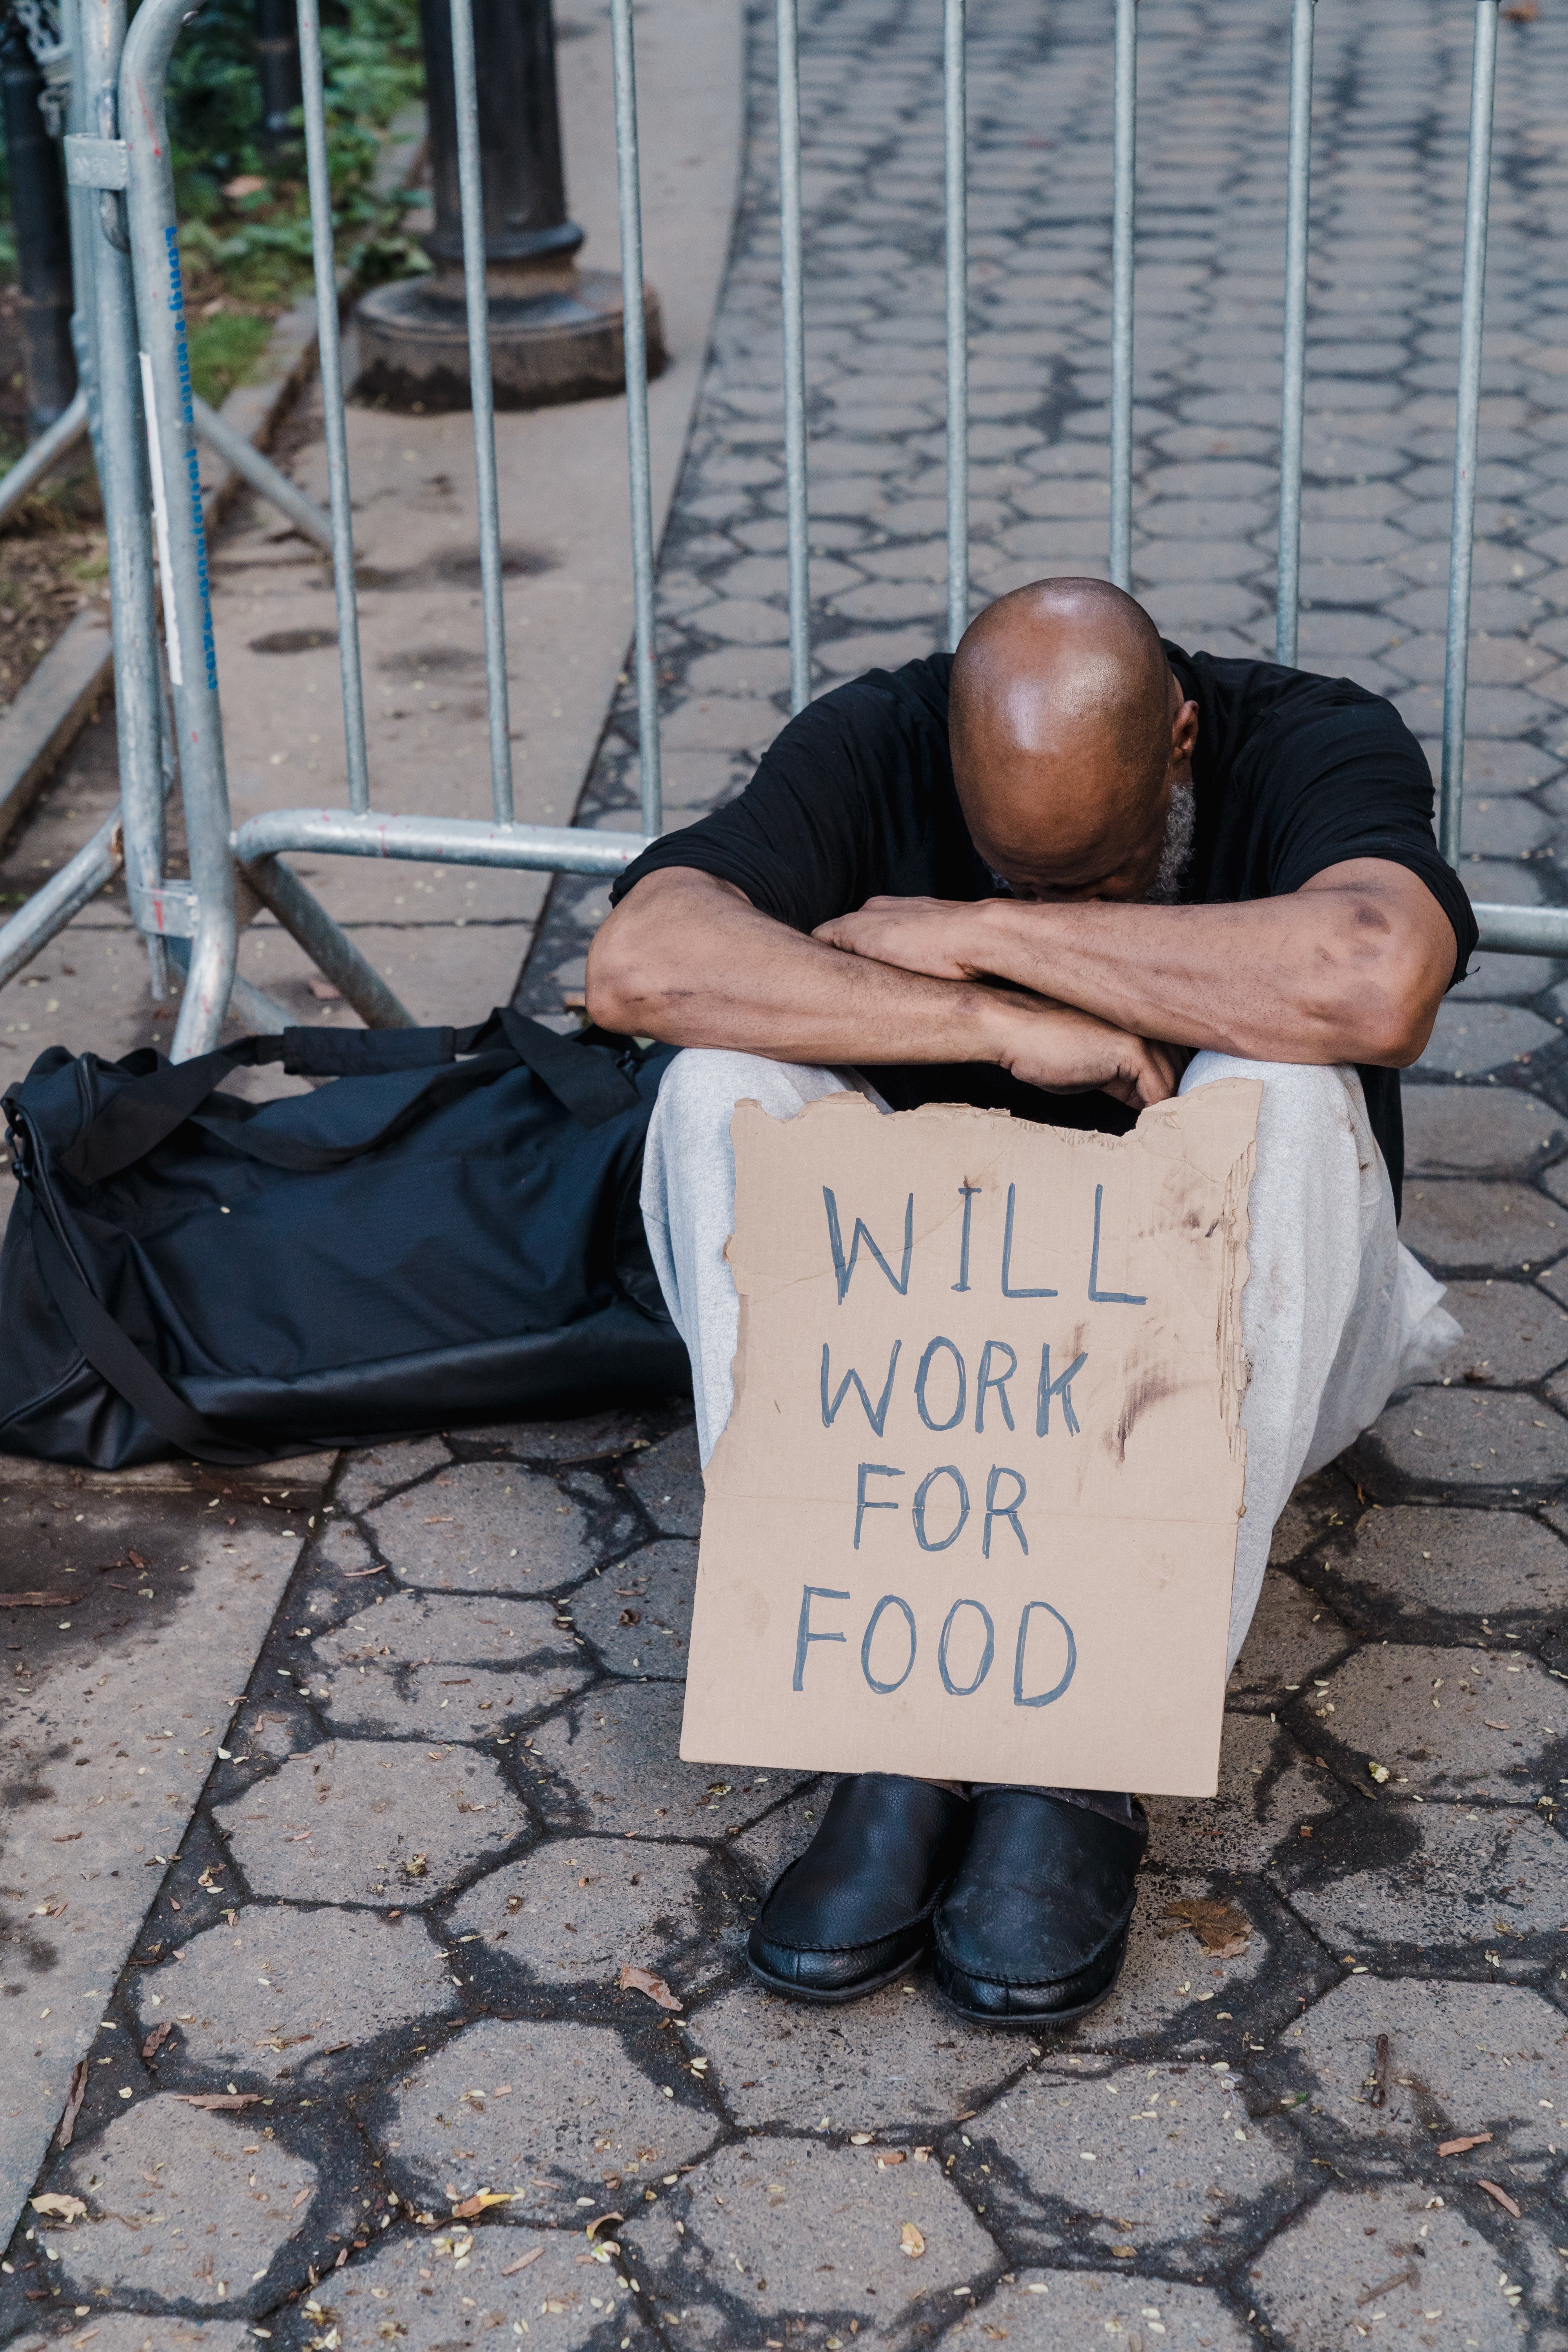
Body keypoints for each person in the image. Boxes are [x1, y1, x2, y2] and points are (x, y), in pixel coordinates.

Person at [585, 576, 1470, 2029]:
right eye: (1018, 873)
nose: (1061, 903)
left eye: (1103, 875)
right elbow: (641, 962)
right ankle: (892, 1705)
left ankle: (1085, 1739)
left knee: (1293, 1091)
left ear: (1180, 740)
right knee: (713, 1082)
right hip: (939, 1355)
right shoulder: (883, 732)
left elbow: (1373, 982)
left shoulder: (1311, 737)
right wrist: (992, 1018)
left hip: (1261, 1337)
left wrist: (982, 928)